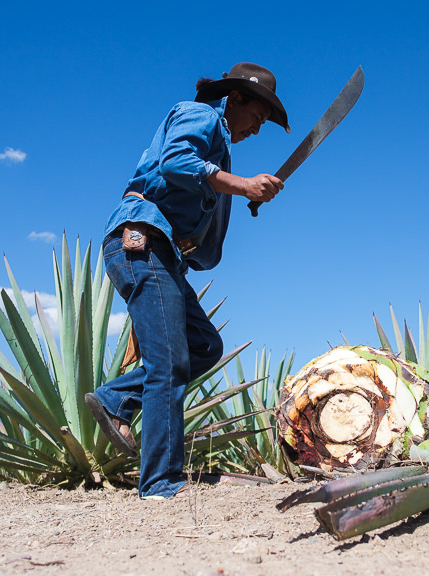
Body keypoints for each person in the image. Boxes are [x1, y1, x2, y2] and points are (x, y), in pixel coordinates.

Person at [84, 63, 290, 499]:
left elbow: (204, 203)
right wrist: (240, 185)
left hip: (165, 256)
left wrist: (243, 195)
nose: (256, 130)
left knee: (204, 347)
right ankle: (160, 481)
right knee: (171, 361)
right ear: (235, 99)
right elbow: (176, 161)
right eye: (257, 118)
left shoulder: (221, 156)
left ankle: (116, 398)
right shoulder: (198, 115)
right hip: (141, 240)